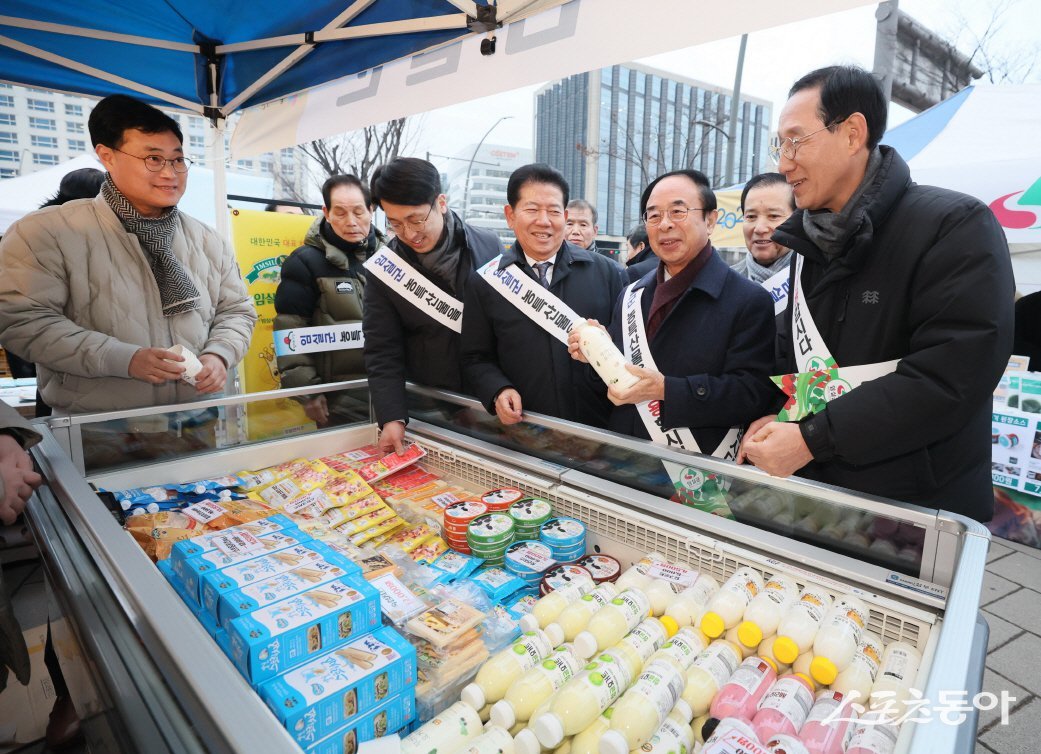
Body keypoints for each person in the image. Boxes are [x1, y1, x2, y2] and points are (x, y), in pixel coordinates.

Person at [738, 65, 1015, 521]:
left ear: (851, 134)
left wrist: (812, 438)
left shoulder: (952, 225)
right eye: (779, 145)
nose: (783, 163)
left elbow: (950, 376)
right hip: (826, 503)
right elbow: (806, 370)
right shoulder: (806, 246)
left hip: (918, 513)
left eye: (795, 140)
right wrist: (787, 421)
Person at [0, 94, 256, 414]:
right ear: (107, 156)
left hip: (198, 419)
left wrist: (220, 354)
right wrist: (123, 359)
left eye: (177, 159)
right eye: (153, 159)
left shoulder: (207, 240)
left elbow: (237, 311)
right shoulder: (45, 233)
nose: (170, 173)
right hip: (96, 429)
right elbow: (22, 321)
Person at [569, 169, 776, 459]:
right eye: (653, 215)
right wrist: (596, 355)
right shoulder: (632, 294)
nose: (664, 224)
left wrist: (667, 390)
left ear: (710, 220)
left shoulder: (749, 300)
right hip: (624, 458)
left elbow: (751, 394)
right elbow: (612, 382)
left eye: (678, 212)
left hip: (696, 472)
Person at [462, 164, 626, 428]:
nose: (544, 221)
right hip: (526, 433)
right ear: (510, 215)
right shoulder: (485, 283)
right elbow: (474, 357)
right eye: (532, 210)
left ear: (565, 215)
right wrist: (497, 390)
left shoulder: (607, 273)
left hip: (601, 431)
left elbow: (629, 349)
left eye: (553, 211)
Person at [364, 158, 503, 453]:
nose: (409, 233)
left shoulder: (488, 246)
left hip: (493, 403)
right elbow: (382, 349)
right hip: (433, 409)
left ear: (441, 202)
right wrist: (391, 417)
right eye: (395, 224)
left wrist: (500, 388)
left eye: (416, 219)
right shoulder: (385, 269)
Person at [274, 174, 387, 426]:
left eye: (359, 212)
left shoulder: (390, 258)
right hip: (339, 401)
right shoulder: (304, 262)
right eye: (340, 213)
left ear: (371, 210)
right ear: (326, 212)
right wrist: (309, 393)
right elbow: (290, 329)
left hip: (393, 391)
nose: (351, 222)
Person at [4, 168, 106, 393]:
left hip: (73, 357)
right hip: (59, 358)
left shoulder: (37, 229)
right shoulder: (42, 233)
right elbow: (22, 313)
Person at [732, 172, 796, 287]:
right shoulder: (726, 283)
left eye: (774, 216)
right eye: (751, 217)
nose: (760, 229)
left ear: (797, 219)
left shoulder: (818, 278)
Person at [565, 199, 620, 264]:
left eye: (583, 225)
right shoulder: (551, 264)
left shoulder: (610, 269)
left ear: (594, 231)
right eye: (569, 224)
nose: (575, 231)